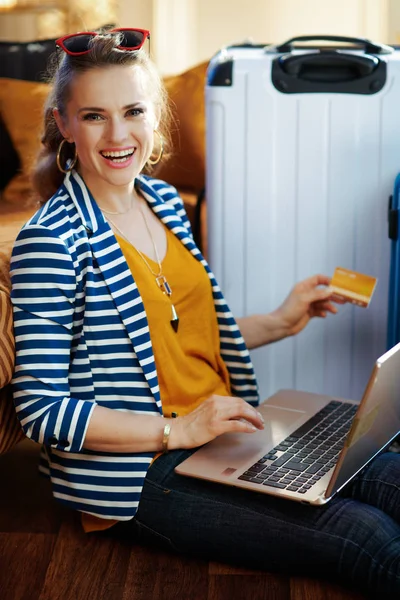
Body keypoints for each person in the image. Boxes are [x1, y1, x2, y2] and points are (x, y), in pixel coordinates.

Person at [10, 28, 400, 598]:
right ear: (64, 124)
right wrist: (177, 430)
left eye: (133, 111)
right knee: (368, 536)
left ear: (155, 118)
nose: (118, 134)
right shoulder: (51, 241)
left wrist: (281, 319)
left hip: (226, 435)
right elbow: (40, 411)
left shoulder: (165, 203)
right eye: (94, 115)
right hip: (144, 473)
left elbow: (170, 339)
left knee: (393, 476)